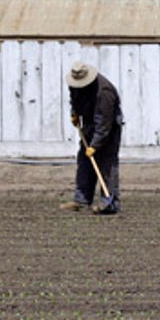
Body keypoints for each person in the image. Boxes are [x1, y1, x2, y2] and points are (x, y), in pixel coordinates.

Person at [62, 61, 123, 214]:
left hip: (108, 129)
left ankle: (110, 202)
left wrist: (95, 145)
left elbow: (104, 123)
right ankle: (81, 200)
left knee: (106, 164)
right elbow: (73, 99)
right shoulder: (75, 84)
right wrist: (74, 114)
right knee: (84, 161)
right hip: (88, 125)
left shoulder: (104, 92)